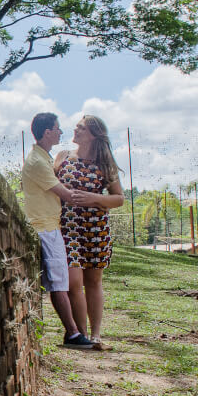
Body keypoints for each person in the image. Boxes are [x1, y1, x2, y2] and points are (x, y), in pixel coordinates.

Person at [21, 112, 95, 349]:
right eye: (57, 128)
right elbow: (65, 195)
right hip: (45, 228)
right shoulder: (37, 162)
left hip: (50, 225)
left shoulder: (43, 158)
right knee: (59, 283)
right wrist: (97, 198)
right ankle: (72, 333)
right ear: (47, 133)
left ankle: (73, 332)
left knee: (59, 282)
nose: (61, 132)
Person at [53, 115, 124, 346]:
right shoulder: (63, 157)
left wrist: (93, 198)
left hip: (96, 229)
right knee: (73, 281)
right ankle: (80, 334)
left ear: (94, 134)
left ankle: (95, 335)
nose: (76, 130)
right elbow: (48, 184)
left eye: (81, 128)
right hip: (68, 227)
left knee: (93, 282)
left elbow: (119, 198)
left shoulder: (105, 163)